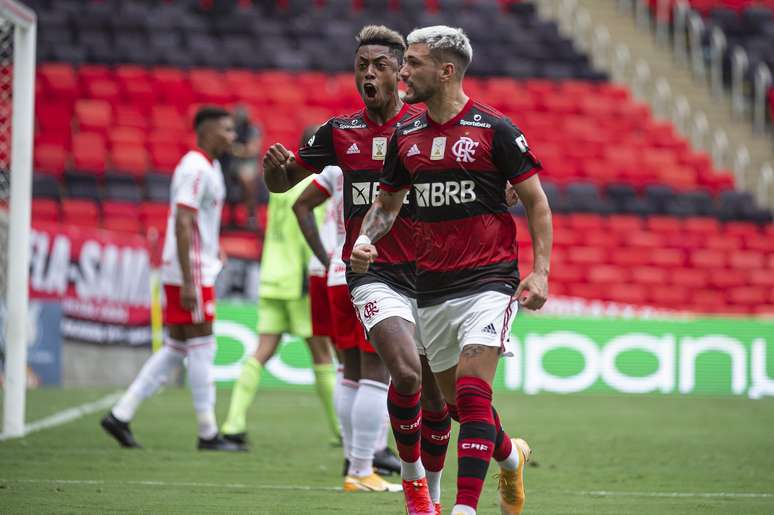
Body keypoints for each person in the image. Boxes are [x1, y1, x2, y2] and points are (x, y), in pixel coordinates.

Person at [351, 26, 553, 515]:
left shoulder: (494, 129)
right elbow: (387, 205)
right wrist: (365, 237)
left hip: (490, 281)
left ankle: (463, 509)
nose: (403, 71)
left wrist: (540, 271)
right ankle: (511, 455)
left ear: (445, 71)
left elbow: (537, 203)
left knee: (470, 390)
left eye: (413, 63)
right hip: (431, 289)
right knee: (460, 409)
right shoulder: (406, 134)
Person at [262, 25, 450, 513]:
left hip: (424, 276)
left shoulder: (423, 126)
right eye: (361, 65)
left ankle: (380, 468)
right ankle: (365, 468)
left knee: (424, 392)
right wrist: (272, 169)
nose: (369, 73)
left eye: (380, 65)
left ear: (400, 73)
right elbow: (284, 187)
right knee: (390, 374)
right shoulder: (337, 132)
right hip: (369, 273)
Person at [101, 106, 241, 451]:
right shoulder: (194, 167)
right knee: (203, 346)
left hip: (193, 265)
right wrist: (190, 280)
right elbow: (182, 222)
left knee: (178, 345)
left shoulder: (212, 166)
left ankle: (121, 414)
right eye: (226, 129)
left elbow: (199, 223)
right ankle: (208, 432)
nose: (232, 136)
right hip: (188, 271)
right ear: (207, 131)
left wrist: (214, 247)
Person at [219, 130, 339, 448]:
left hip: (271, 275)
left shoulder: (281, 182)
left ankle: (233, 423)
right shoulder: (310, 187)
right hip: (298, 280)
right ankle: (342, 430)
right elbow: (307, 233)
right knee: (322, 353)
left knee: (262, 350)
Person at [293, 163, 401, 489]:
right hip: (372, 272)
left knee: (350, 371)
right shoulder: (394, 153)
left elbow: (299, 204)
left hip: (339, 272)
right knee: (377, 371)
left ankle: (355, 461)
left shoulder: (336, 160)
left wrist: (328, 260)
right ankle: (363, 467)